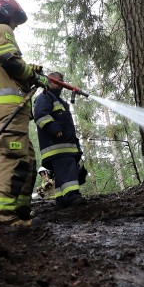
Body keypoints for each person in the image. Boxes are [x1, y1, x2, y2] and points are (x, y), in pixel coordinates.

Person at [0, 0, 50, 227]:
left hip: (7, 105)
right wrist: (34, 76)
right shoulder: (1, 28)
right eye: (15, 19)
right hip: (10, 105)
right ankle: (2, 220)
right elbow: (9, 59)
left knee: (26, 156)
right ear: (6, 12)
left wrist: (28, 71)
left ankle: (20, 209)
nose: (15, 25)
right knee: (13, 154)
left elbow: (8, 67)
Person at [33, 71, 86, 209]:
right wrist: (55, 129)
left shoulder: (59, 101)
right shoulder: (44, 96)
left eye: (62, 80)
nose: (61, 83)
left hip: (65, 146)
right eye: (57, 81)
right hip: (57, 146)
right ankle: (73, 196)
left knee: (62, 173)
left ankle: (61, 200)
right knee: (67, 169)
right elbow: (40, 116)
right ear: (49, 81)